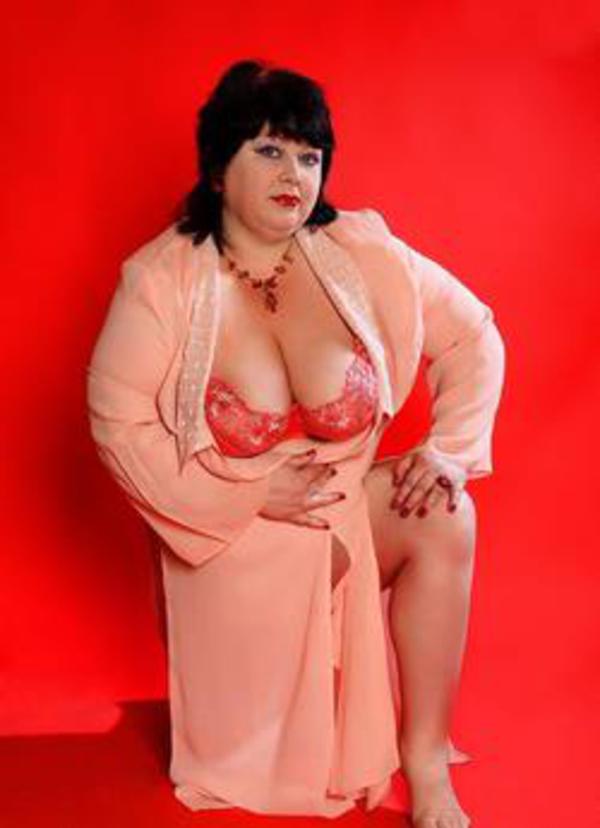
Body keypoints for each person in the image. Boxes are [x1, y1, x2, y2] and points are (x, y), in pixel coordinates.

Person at [86, 59, 505, 827]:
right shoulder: (161, 279)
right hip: (231, 545)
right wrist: (244, 493)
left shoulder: (362, 248)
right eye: (270, 150)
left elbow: (473, 333)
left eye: (310, 156)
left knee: (448, 513)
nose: (295, 174)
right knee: (265, 748)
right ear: (219, 169)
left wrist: (448, 450)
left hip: (346, 513)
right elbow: (117, 421)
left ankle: (424, 758)